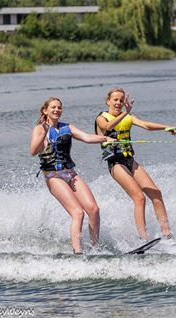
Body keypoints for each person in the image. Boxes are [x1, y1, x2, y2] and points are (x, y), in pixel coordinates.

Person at [30, 97, 115, 254]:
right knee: (77, 212)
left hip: (70, 172)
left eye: (59, 108)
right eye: (53, 107)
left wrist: (105, 138)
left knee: (94, 209)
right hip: (53, 176)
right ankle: (77, 252)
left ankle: (95, 249)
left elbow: (87, 138)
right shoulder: (39, 129)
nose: (57, 110)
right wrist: (44, 132)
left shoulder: (67, 127)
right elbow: (33, 151)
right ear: (45, 110)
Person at [95, 88, 176, 241]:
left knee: (156, 193)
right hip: (115, 163)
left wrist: (167, 127)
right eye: (115, 100)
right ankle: (143, 238)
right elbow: (108, 127)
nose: (118, 103)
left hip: (130, 160)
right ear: (108, 101)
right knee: (139, 198)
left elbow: (146, 125)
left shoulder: (127, 116)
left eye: (121, 100)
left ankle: (167, 234)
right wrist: (125, 113)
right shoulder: (101, 118)